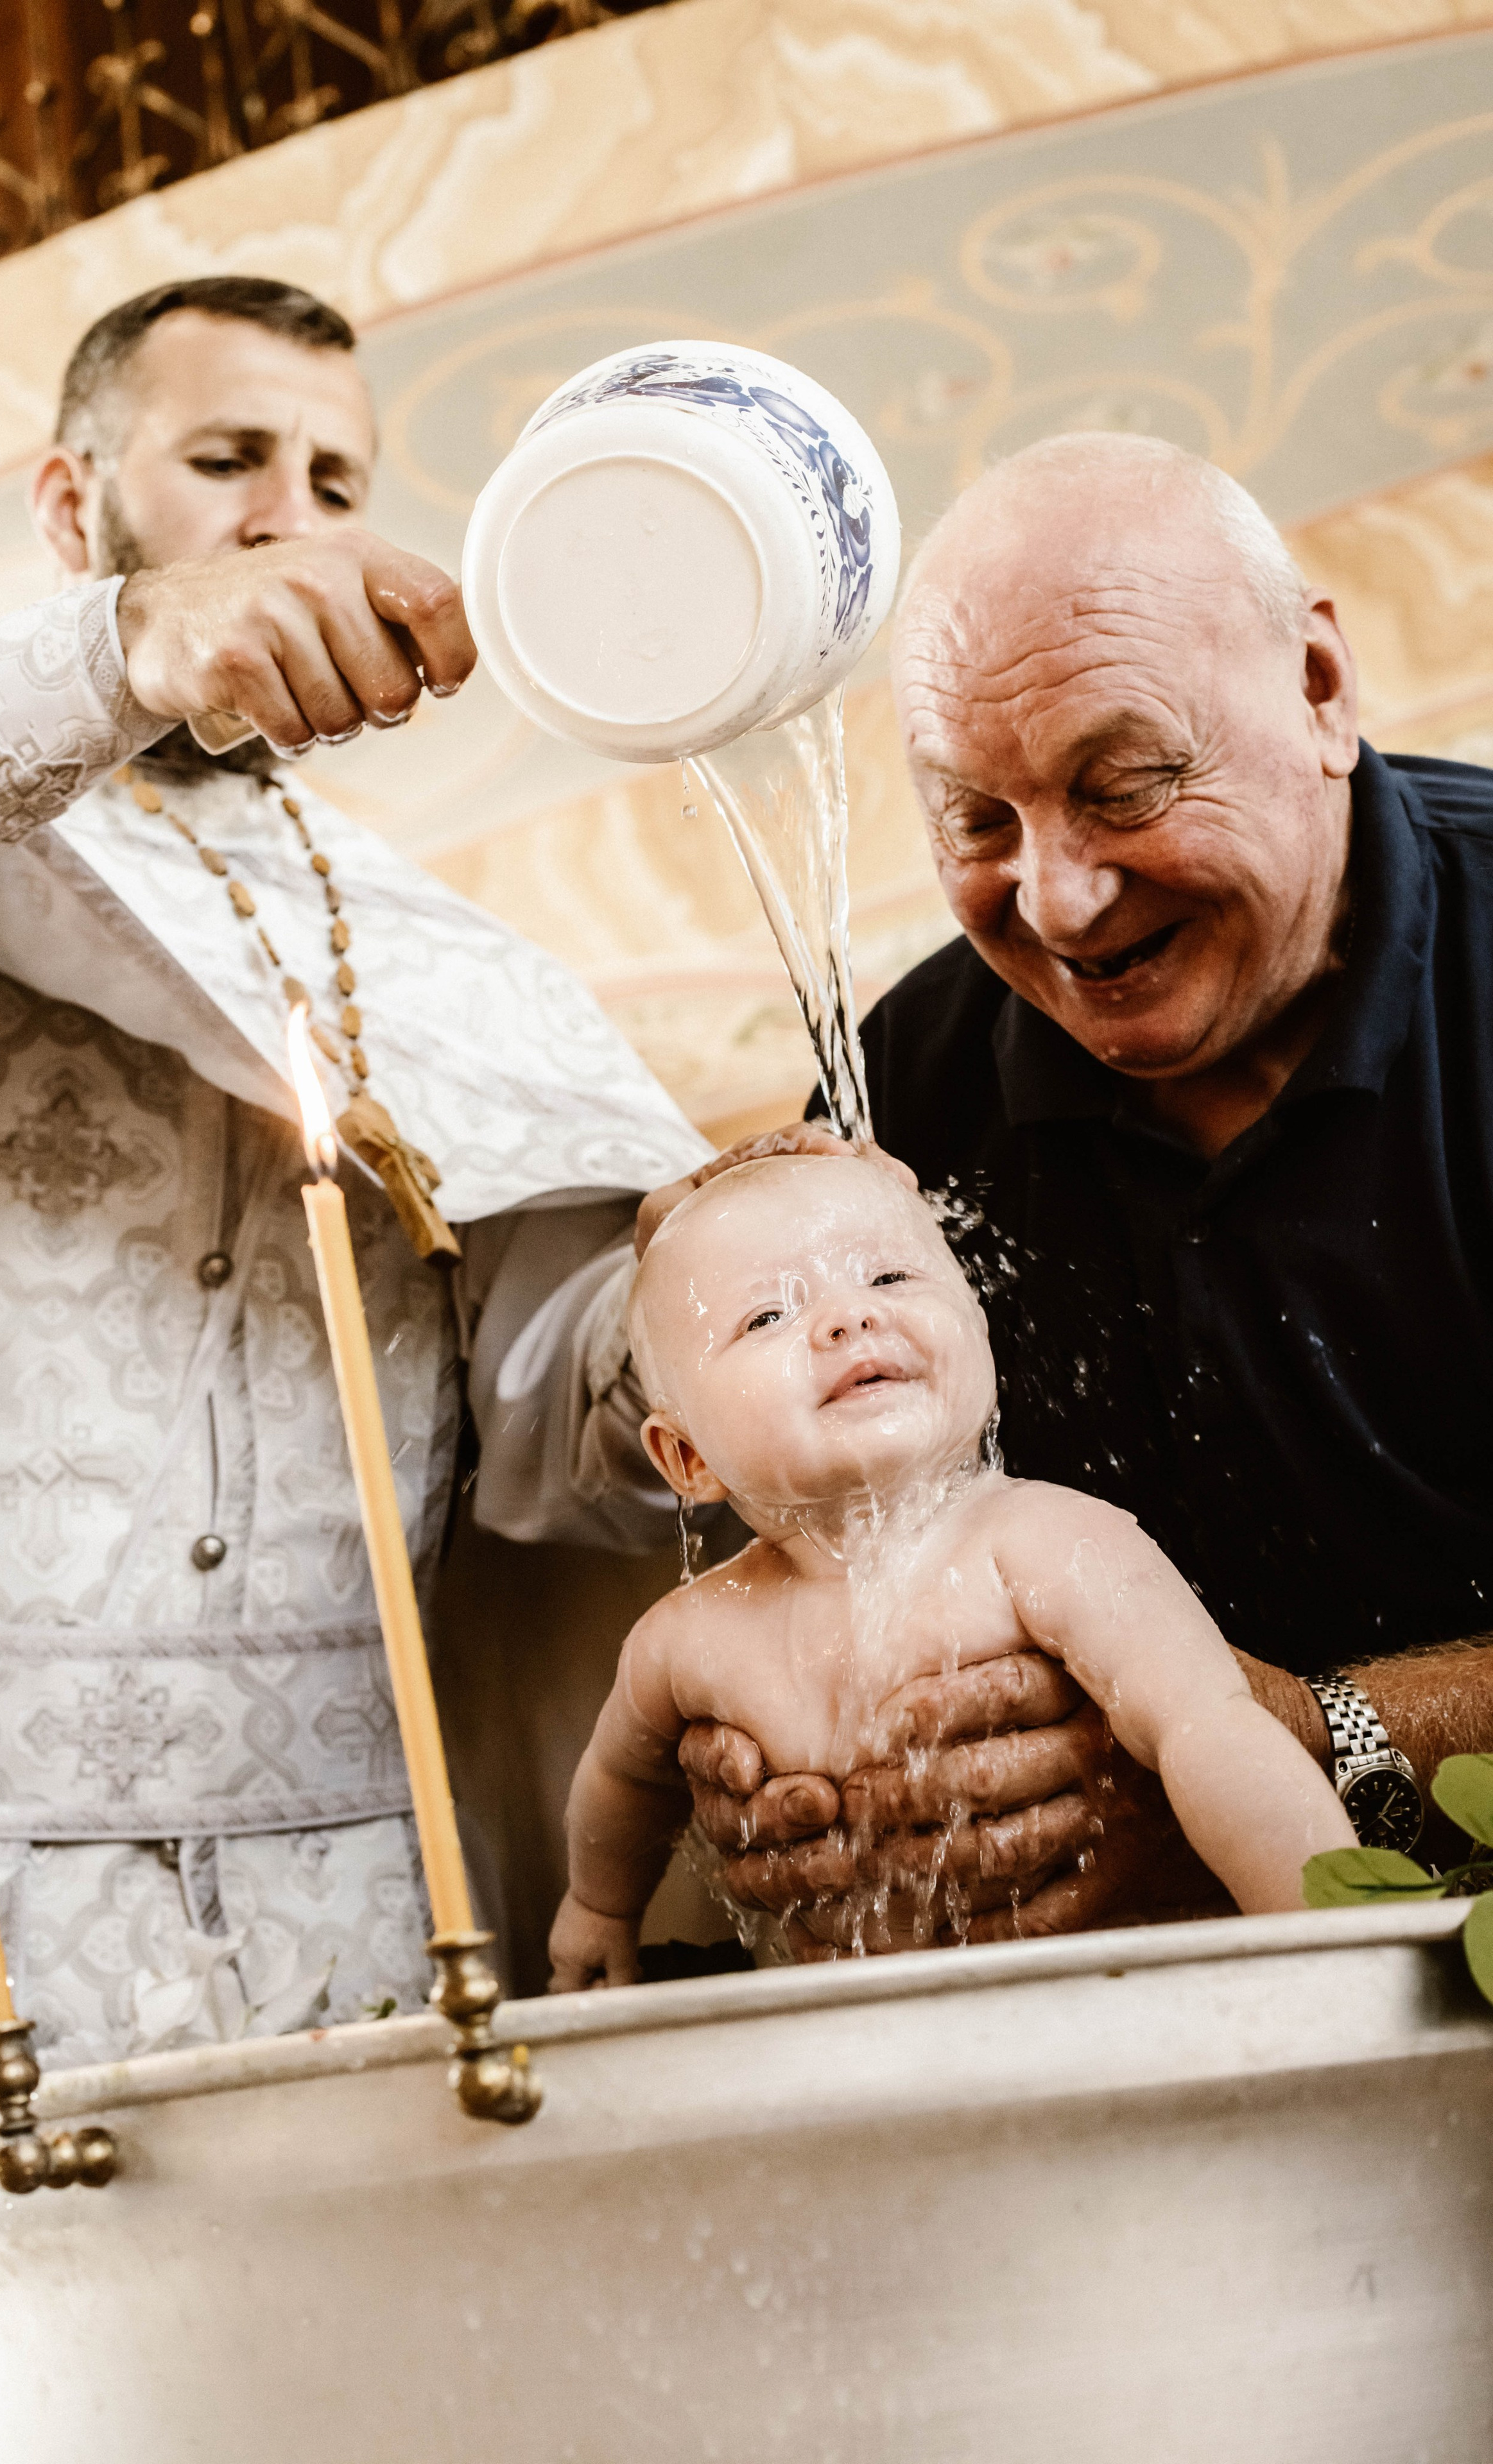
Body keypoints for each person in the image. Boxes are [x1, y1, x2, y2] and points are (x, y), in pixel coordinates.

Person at [0, 276, 705, 2105]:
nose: (284, 517)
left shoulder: (425, 949)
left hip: (362, 1923)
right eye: (225, 457)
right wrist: (126, 647)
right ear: (74, 508)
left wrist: (720, 1338)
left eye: (334, 478)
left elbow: (555, 1429)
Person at [637, 432, 1493, 1948]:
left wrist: (1300, 1742)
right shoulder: (911, 1078)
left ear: (1315, 689)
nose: (1058, 902)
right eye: (975, 819)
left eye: (1127, 782)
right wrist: (805, 1771)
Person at [549, 1152, 1352, 1987]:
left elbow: (1211, 1729)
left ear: (980, 1328)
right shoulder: (687, 1636)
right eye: (767, 1317)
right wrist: (599, 1909)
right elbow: (621, 1781)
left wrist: (1331, 1942)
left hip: (1109, 2006)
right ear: (686, 1457)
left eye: (890, 1277)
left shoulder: (1045, 1543)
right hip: (866, 2042)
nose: (848, 1319)